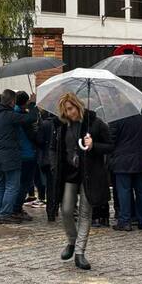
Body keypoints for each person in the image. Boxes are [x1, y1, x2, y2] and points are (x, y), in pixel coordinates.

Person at [50, 92, 113, 271]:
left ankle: (79, 252)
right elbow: (54, 148)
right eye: (65, 110)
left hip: (89, 173)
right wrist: (54, 166)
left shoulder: (95, 123)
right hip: (69, 173)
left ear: (77, 105)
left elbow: (110, 146)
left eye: (71, 109)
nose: (69, 113)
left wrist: (93, 145)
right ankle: (72, 241)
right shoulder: (62, 126)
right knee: (66, 210)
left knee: (85, 213)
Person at [0, 90, 36, 224]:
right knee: (12, 186)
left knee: (0, 184)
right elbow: (31, 118)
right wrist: (32, 104)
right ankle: (5, 214)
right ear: (12, 102)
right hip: (11, 155)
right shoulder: (11, 115)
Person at [110, 102, 142, 231]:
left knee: (124, 191)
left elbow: (111, 140)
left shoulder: (118, 118)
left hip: (122, 161)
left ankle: (125, 221)